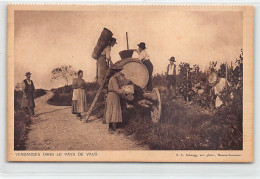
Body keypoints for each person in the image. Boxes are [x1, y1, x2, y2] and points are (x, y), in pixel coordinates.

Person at [104, 67, 129, 134]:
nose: (119, 74)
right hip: (113, 96)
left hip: (113, 96)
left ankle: (112, 128)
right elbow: (116, 89)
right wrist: (124, 91)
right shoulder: (113, 79)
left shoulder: (113, 79)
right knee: (112, 111)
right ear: (116, 73)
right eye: (118, 72)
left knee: (112, 111)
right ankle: (111, 129)